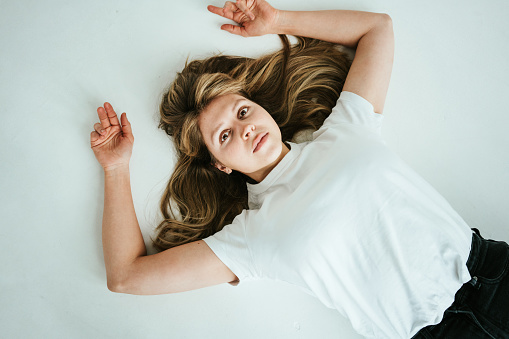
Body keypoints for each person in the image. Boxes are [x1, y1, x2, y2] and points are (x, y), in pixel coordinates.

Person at [89, 1, 509, 338]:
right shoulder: (249, 238)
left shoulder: (345, 128)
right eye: (224, 135)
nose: (245, 128)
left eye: (242, 111)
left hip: (492, 269)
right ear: (220, 165)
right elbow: (126, 277)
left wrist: (278, 20)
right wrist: (115, 168)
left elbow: (377, 28)